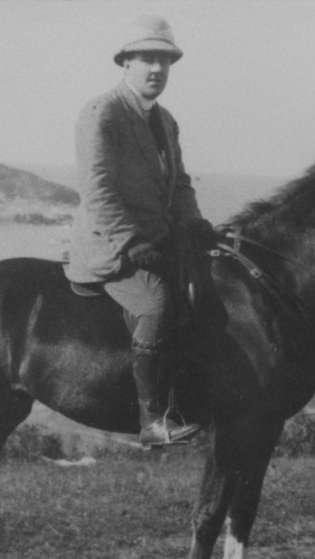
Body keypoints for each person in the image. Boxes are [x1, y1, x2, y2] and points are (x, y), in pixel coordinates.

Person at [65, 15, 213, 446]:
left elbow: (179, 185)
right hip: (110, 245)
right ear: (125, 62)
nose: (157, 69)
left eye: (164, 61)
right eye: (148, 59)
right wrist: (131, 242)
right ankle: (152, 420)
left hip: (157, 240)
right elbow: (98, 188)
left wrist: (194, 222)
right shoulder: (103, 113)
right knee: (153, 304)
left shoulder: (165, 121)